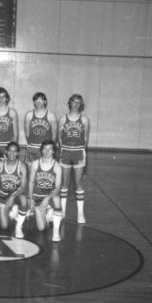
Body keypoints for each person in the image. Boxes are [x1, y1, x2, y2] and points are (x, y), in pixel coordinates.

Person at [58, 94, 90, 224]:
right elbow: (59, 138)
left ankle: (80, 213)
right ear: (70, 103)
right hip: (66, 151)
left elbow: (86, 139)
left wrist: (83, 152)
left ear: (81, 104)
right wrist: (62, 150)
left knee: (78, 184)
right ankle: (63, 211)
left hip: (78, 152)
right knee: (64, 183)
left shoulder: (85, 120)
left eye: (78, 102)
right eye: (74, 102)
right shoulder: (62, 119)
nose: (76, 104)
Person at [28, 140, 63, 242]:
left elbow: (57, 187)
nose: (47, 151)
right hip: (37, 196)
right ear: (41, 150)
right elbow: (30, 182)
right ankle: (45, 214)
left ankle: (56, 231)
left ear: (53, 151)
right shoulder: (35, 164)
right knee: (41, 228)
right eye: (45, 149)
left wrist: (47, 198)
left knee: (57, 199)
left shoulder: (57, 167)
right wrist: (30, 199)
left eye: (50, 149)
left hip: (49, 196)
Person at [0, 142, 28, 237]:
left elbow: (23, 187)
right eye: (10, 151)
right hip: (2, 196)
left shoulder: (22, 166)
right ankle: (12, 210)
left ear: (18, 153)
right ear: (6, 152)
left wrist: (12, 196)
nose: (12, 154)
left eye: (15, 151)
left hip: (15, 195)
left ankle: (19, 227)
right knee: (4, 226)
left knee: (24, 200)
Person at [24, 92, 57, 165]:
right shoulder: (29, 115)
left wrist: (50, 148)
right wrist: (30, 143)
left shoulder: (51, 115)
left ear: (45, 101)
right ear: (34, 102)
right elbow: (27, 132)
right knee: (31, 170)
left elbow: (54, 135)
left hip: (45, 148)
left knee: (44, 169)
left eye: (41, 100)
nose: (38, 102)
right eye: (36, 100)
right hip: (32, 147)